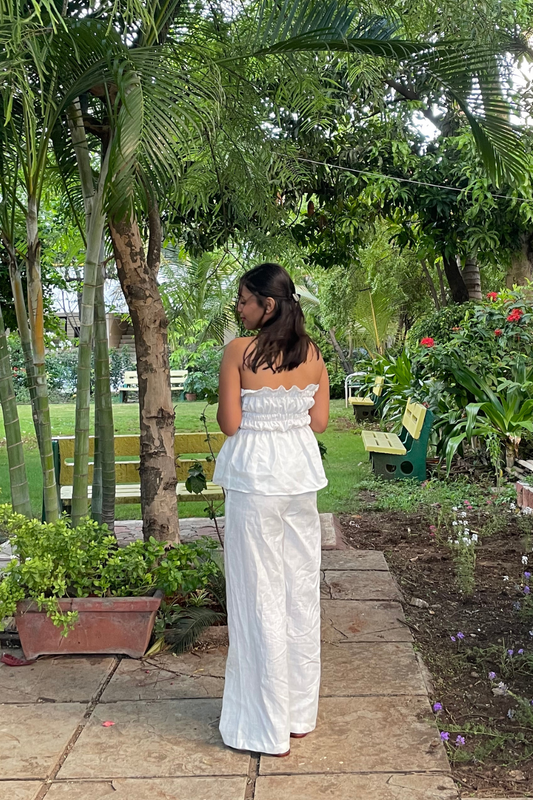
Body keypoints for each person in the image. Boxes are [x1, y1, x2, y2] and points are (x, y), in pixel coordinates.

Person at [213, 262, 329, 758]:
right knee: (299, 590)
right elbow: (319, 422)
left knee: (257, 595)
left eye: (244, 300)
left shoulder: (239, 352)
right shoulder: (313, 353)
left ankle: (263, 725)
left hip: (256, 480)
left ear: (268, 304)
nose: (238, 309)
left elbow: (230, 423)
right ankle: (298, 714)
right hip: (299, 481)